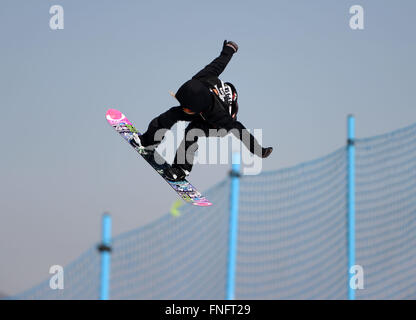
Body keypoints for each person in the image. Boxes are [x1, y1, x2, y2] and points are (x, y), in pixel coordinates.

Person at [131, 40, 273, 181]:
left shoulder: (219, 115)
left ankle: (181, 169)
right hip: (200, 107)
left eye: (187, 107)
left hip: (216, 126)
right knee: (171, 114)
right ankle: (148, 141)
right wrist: (229, 49)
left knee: (192, 132)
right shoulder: (203, 77)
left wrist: (259, 150)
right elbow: (219, 63)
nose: (184, 109)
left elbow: (239, 130)